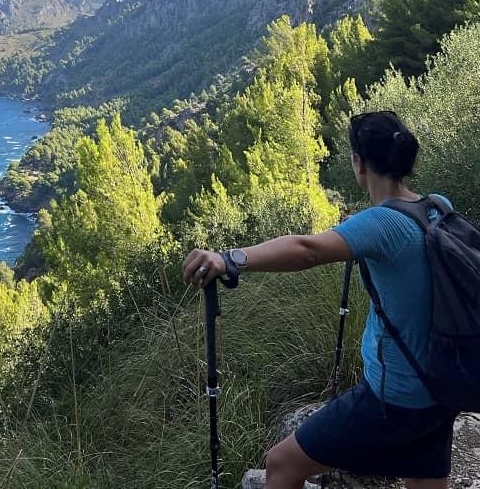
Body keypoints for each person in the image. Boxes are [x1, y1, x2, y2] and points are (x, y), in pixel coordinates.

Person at [182, 111, 457, 489]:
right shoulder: (438, 206)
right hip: (441, 387)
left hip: (396, 395)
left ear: (359, 164)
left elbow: (307, 249)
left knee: (281, 465)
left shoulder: (381, 223)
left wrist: (230, 259)